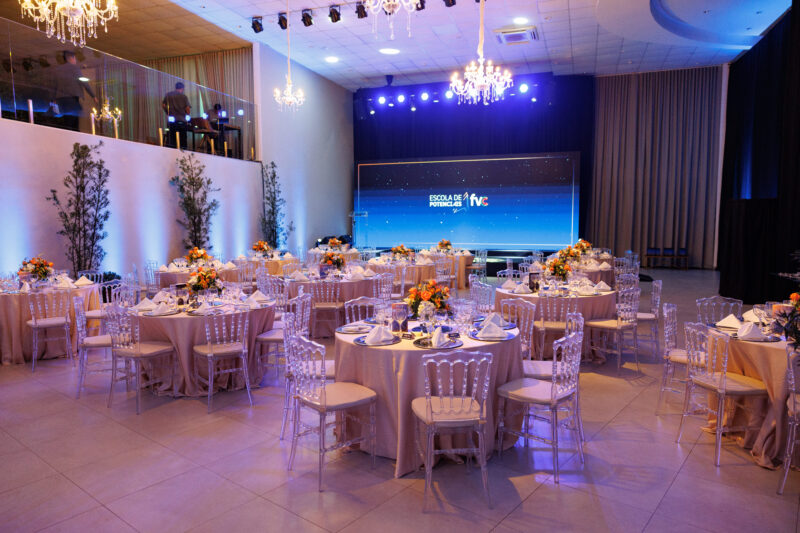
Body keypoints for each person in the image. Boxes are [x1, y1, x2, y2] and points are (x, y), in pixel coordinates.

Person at [52, 50, 96, 132]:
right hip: (72, 98)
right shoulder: (75, 68)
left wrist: (54, 98)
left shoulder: (58, 70)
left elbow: (55, 85)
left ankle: (69, 136)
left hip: (61, 99)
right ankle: (74, 137)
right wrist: (93, 96)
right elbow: (84, 82)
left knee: (67, 121)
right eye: (75, 58)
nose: (75, 60)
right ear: (71, 58)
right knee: (73, 122)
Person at [162, 82, 191, 148]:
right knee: (182, 141)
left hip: (171, 120)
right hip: (181, 121)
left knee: (171, 140)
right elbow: (187, 109)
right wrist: (188, 115)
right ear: (182, 88)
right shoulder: (184, 97)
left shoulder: (168, 95)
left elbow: (163, 105)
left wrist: (168, 112)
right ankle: (182, 153)